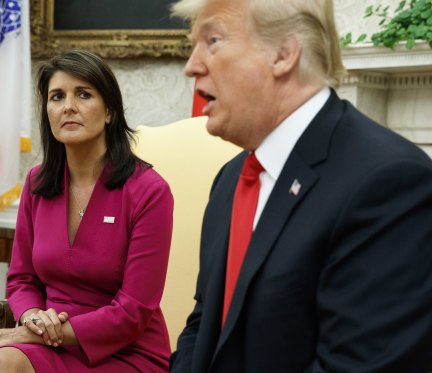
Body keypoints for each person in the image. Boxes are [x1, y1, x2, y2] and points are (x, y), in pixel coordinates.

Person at [168, 0, 432, 372]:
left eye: (213, 40)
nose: (191, 66)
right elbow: (203, 323)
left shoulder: (389, 182)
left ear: (284, 53)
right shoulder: (231, 179)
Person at [0, 49, 174, 372]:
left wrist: (24, 335)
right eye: (57, 96)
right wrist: (31, 318)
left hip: (126, 352)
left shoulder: (150, 191)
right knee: (1, 362)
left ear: (110, 111)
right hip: (49, 342)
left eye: (83, 94)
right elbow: (22, 279)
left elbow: (132, 314)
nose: (68, 106)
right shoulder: (37, 183)